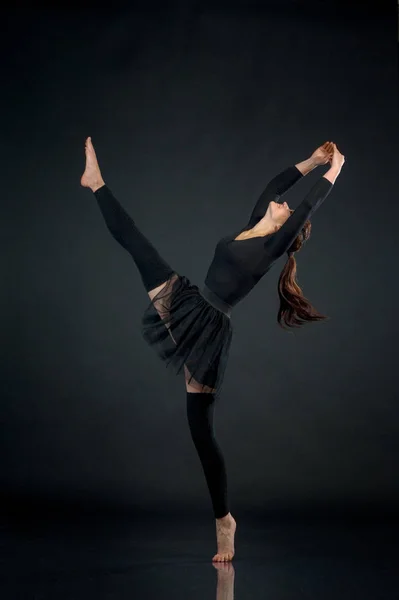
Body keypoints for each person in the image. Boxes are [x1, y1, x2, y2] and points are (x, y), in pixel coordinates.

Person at [81, 137, 345, 562]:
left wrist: (335, 171)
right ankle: (95, 183)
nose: (282, 203)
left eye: (286, 209)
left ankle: (224, 521)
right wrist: (314, 161)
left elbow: (308, 207)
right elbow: (276, 182)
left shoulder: (270, 247)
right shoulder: (254, 225)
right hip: (189, 301)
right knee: (135, 243)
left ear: (284, 227)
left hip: (209, 328)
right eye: (281, 205)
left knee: (200, 431)